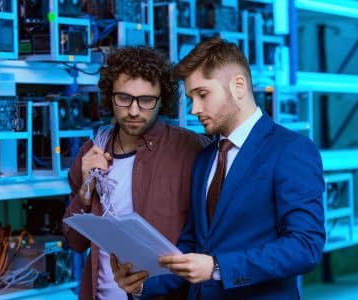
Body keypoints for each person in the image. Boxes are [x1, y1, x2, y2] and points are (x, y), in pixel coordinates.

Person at [111, 37, 325, 299]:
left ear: (238, 86)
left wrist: (217, 268)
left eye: (202, 94)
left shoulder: (291, 150)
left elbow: (305, 246)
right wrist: (142, 285)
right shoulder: (205, 158)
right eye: (191, 98)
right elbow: (190, 247)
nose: (194, 109)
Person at [62, 46, 210, 300]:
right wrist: (85, 192)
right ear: (110, 96)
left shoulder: (191, 150)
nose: (133, 111)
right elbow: (75, 242)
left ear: (163, 99)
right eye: (124, 98)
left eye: (146, 100)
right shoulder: (92, 152)